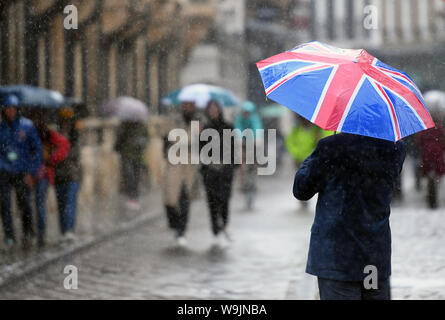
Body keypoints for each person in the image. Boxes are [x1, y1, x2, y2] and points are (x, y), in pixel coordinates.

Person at [293, 133, 406, 300]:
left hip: (337, 258)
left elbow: (301, 189)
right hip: (374, 257)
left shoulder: (331, 146)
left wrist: (315, 156)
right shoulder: (395, 147)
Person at [0, 95, 43, 249]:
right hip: (4, 170)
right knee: (4, 205)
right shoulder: (1, 128)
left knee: (24, 204)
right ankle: (10, 236)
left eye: (13, 109)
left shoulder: (27, 126)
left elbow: (37, 150)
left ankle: (28, 233)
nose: (10, 112)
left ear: (17, 110)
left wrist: (32, 171)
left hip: (22, 171)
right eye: (7, 109)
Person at [162, 101, 203, 247]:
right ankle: (174, 223)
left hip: (190, 164)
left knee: (186, 197)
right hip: (175, 161)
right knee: (170, 198)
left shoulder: (199, 121)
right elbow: (167, 138)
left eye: (191, 105)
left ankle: (182, 230)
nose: (188, 107)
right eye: (185, 104)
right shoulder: (174, 120)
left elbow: (203, 142)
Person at [28, 110, 70, 247]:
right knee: (28, 204)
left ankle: (40, 234)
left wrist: (51, 160)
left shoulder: (47, 134)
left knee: (39, 204)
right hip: (27, 173)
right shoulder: (26, 133)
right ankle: (30, 233)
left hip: (43, 173)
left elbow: (64, 144)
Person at [200, 100, 237, 246]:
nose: (213, 111)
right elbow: (201, 150)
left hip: (225, 170)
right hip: (210, 171)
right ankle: (215, 229)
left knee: (224, 199)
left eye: (215, 108)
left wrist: (233, 164)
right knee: (212, 201)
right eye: (211, 108)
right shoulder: (204, 128)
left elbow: (233, 148)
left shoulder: (228, 126)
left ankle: (224, 222)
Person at [286, 116, 332, 209]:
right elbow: (290, 142)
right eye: (303, 119)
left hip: (312, 158)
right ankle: (302, 197)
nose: (304, 121)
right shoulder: (296, 130)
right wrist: (296, 153)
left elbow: (323, 141)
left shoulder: (316, 130)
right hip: (298, 159)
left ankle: (309, 194)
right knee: (301, 178)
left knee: (313, 177)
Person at [55, 107, 83, 241]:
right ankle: (63, 231)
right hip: (59, 176)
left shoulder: (75, 137)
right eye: (64, 121)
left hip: (72, 175)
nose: (66, 123)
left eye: (68, 121)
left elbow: (75, 155)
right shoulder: (55, 135)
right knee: (61, 205)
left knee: (70, 204)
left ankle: (69, 230)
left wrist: (62, 152)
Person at [233, 101, 263, 210]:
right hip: (243, 143)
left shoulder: (254, 118)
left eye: (248, 112)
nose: (246, 114)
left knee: (257, 159)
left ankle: (256, 176)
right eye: (245, 112)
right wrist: (239, 138)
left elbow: (257, 128)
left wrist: (257, 138)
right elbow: (237, 128)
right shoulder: (239, 119)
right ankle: (242, 179)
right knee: (242, 161)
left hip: (253, 142)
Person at [114, 120, 149, 210]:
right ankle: (131, 196)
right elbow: (120, 138)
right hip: (127, 154)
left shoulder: (142, 126)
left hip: (137, 155)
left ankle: (134, 197)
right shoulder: (124, 125)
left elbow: (147, 138)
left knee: (136, 176)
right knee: (129, 176)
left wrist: (142, 142)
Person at [415, 123, 445, 209]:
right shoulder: (440, 129)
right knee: (436, 176)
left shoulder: (423, 129)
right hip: (437, 155)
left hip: (426, 154)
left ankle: (431, 197)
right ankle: (434, 196)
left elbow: (418, 142)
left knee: (429, 176)